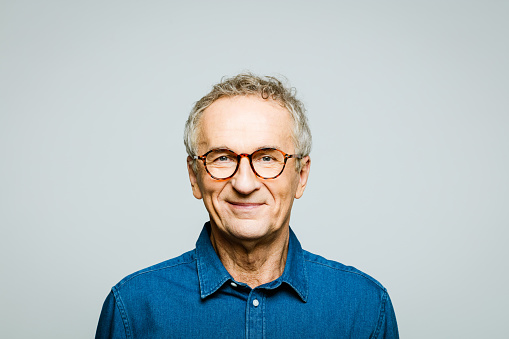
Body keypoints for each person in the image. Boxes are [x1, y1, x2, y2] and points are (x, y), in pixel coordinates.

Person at [95, 73, 399, 338]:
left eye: (267, 157)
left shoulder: (366, 307)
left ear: (301, 175)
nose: (244, 184)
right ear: (194, 176)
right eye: (222, 158)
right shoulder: (132, 308)